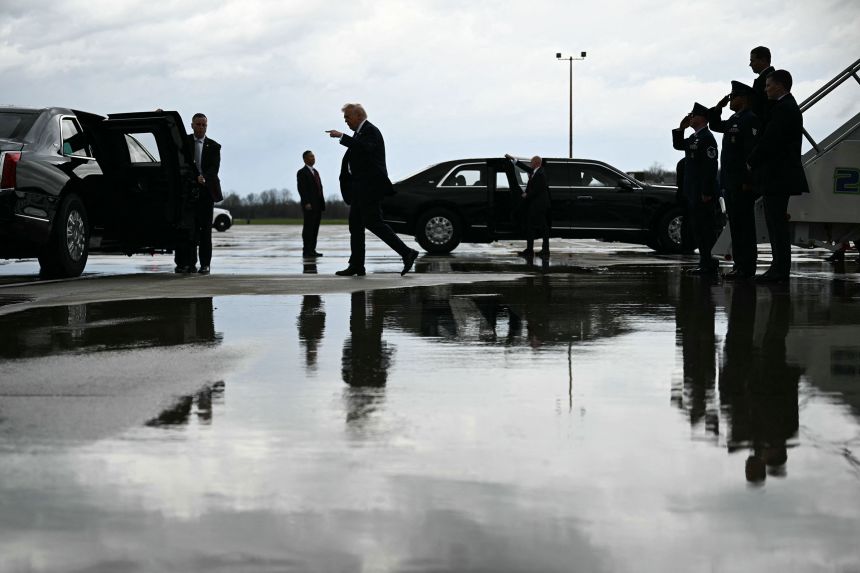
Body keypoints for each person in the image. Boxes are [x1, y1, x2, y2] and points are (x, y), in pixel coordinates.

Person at [327, 103, 418, 277]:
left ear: (358, 116)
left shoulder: (370, 131)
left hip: (370, 188)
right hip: (360, 189)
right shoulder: (360, 133)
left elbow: (364, 147)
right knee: (355, 226)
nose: (345, 121)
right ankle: (356, 265)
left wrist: (342, 137)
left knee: (374, 222)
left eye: (347, 117)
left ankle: (407, 252)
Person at [747, 69, 810, 283]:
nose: (765, 89)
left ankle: (780, 270)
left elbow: (770, 140)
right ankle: (778, 268)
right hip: (777, 176)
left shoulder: (784, 109)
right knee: (775, 224)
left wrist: (751, 160)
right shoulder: (783, 107)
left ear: (780, 86)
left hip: (778, 176)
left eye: (768, 85)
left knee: (777, 224)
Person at [709, 81, 762, 279]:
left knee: (745, 227)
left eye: (733, 97)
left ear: (744, 98)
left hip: (742, 183)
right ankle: (740, 266)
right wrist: (718, 107)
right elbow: (715, 124)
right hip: (730, 182)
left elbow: (751, 153)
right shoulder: (733, 119)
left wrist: (748, 181)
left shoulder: (751, 120)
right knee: (737, 227)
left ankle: (747, 267)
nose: (731, 100)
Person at [672, 103, 720, 276]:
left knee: (705, 229)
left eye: (692, 115)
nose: (690, 117)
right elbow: (678, 146)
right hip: (692, 191)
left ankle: (709, 263)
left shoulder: (707, 138)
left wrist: (707, 192)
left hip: (702, 193)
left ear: (702, 118)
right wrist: (681, 128)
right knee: (698, 229)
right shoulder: (695, 138)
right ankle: (704, 262)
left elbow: (710, 167)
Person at [175, 112, 222, 274]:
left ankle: (205, 264)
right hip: (188, 192)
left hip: (206, 192)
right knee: (188, 229)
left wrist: (203, 178)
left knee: (205, 230)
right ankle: (188, 263)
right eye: (198, 124)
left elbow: (214, 169)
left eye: (204, 125)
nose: (201, 127)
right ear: (192, 125)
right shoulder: (185, 142)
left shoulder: (214, 146)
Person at [505, 154, 550, 258]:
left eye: (531, 162)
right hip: (535, 205)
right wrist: (513, 160)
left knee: (543, 228)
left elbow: (539, 188)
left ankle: (544, 251)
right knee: (531, 227)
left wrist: (527, 194)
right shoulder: (535, 172)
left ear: (536, 163)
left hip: (539, 206)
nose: (530, 164)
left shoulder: (541, 173)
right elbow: (524, 167)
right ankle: (530, 250)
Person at [296, 150, 325, 257]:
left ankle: (312, 250)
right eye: (311, 157)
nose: (313, 158)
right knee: (308, 228)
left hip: (318, 205)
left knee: (315, 229)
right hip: (309, 205)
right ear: (305, 159)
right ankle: (306, 250)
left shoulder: (315, 172)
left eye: (313, 156)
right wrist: (306, 202)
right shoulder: (302, 172)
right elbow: (302, 189)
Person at [749, 46, 775, 124]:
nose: (750, 64)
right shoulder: (768, 78)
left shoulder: (768, 80)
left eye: (752, 61)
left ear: (763, 60)